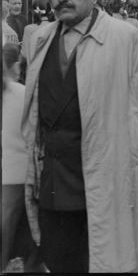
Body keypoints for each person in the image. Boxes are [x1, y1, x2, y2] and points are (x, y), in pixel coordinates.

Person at [21, 0, 138, 273]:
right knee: (56, 257)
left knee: (99, 257)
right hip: (52, 174)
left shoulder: (124, 37)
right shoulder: (40, 38)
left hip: (102, 170)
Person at [2, 44, 43, 273]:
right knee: (31, 241)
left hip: (9, 177)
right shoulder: (22, 94)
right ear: (16, 66)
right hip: (21, 176)